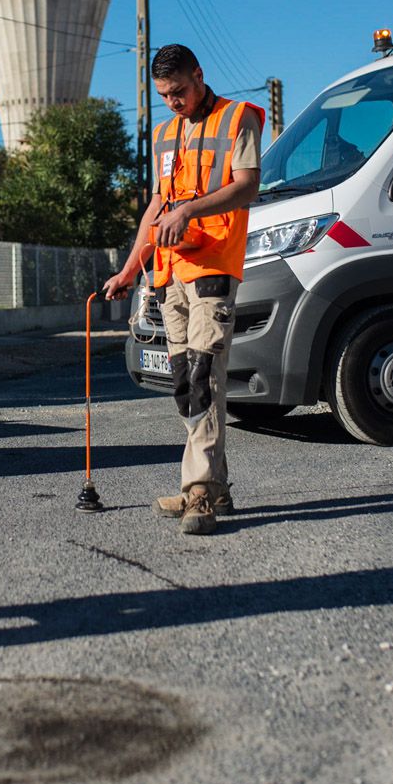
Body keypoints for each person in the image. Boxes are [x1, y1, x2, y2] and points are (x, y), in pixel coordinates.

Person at [101, 44, 262, 535]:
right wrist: (131, 268)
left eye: (179, 91)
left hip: (212, 267)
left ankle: (201, 493)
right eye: (165, 95)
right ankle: (214, 486)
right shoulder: (164, 134)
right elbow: (157, 206)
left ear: (199, 74)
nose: (173, 102)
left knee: (203, 375)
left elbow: (248, 186)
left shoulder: (238, 118)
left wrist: (191, 211)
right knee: (182, 384)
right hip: (167, 273)